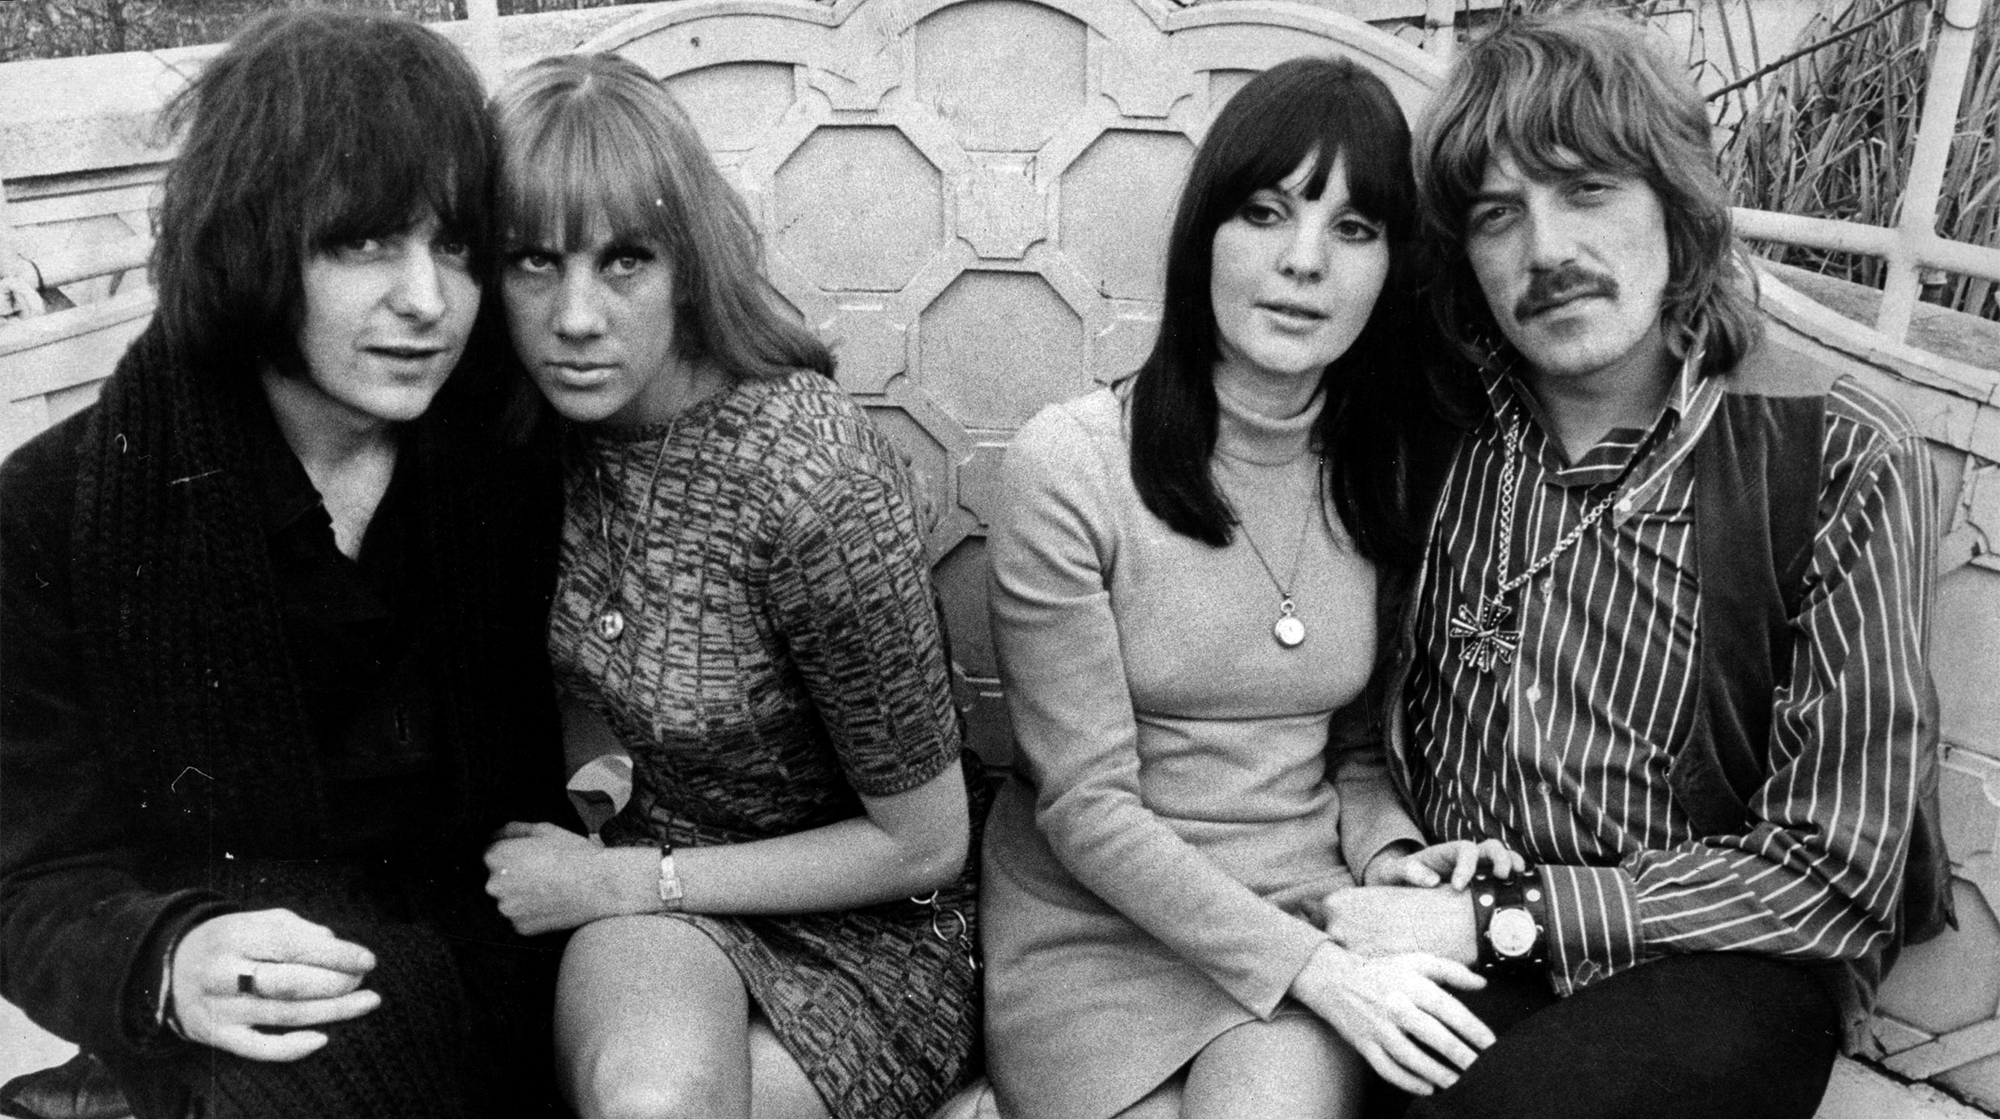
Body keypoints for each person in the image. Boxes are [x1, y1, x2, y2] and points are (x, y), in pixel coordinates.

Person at [1317, 14, 1954, 1119]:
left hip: (1719, 962)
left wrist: (1506, 914)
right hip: (1459, 922)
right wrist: (1395, 855)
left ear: (1675, 199)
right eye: (1495, 215)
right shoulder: (1435, 433)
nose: (1545, 250)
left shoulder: (1831, 449)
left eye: (1587, 190)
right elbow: (1347, 718)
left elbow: (1837, 869)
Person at [0, 11, 568, 1119]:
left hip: (508, 972)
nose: (427, 300)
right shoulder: (50, 514)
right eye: (363, 242)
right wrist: (169, 959)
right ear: (250, 241)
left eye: (454, 245)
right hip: (247, 1008)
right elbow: (28, 883)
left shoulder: (516, 450)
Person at [980, 57, 1526, 1119]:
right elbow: (1084, 807)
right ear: (1204, 239)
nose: (1301, 264)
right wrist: (1316, 969)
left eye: (1353, 229)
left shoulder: (1389, 468)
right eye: (1266, 213)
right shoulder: (1071, 464)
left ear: (1391, 266)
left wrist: (1393, 858)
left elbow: (1353, 749)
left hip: (1304, 902)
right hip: (1092, 921)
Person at [480, 52, 983, 1119]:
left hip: (868, 922)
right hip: (642, 906)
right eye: (532, 262)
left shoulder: (807, 475)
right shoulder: (513, 439)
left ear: (688, 263)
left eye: (623, 261)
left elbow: (927, 841)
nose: (575, 317)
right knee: (653, 1096)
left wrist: (631, 878)